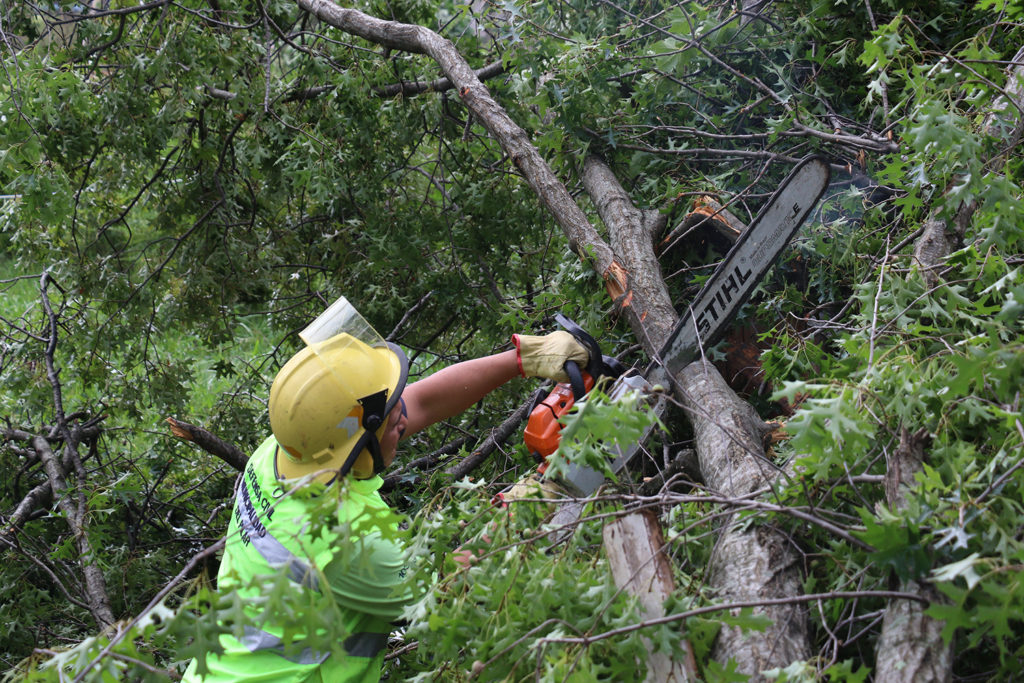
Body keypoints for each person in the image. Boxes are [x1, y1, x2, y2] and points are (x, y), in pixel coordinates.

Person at [182, 296, 588, 682]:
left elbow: (420, 402)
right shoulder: (350, 540)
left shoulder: (289, 450)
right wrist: (539, 493)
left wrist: (524, 358)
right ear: (358, 443)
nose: (403, 416)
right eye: (390, 415)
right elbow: (447, 588)